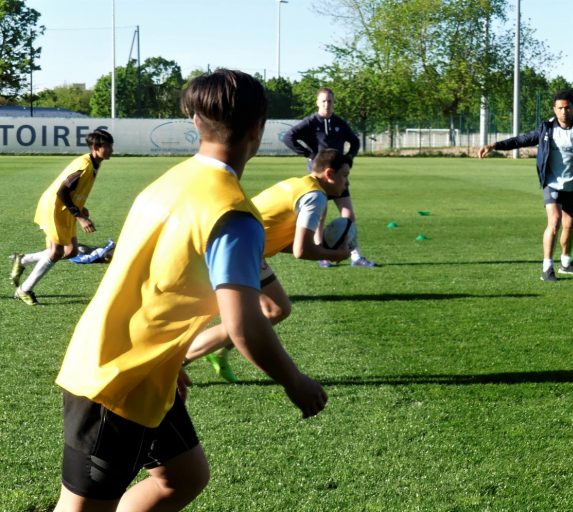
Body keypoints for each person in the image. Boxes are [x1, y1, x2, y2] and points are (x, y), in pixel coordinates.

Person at [52, 69, 327, 511]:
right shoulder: (233, 214)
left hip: (144, 368)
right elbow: (244, 325)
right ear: (259, 129)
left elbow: (150, 277)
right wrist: (295, 382)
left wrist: (169, 358)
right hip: (116, 380)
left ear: (196, 122)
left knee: (182, 477)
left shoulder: (173, 180)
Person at [184, 147, 353, 382]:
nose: (346, 183)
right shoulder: (315, 197)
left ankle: (216, 351)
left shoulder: (299, 184)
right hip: (238, 247)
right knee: (268, 312)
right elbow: (301, 250)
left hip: (239, 243)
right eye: (345, 176)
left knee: (274, 310)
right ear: (329, 173)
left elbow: (283, 239)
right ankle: (180, 359)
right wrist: (337, 255)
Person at [478, 90, 573, 282]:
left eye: (567, 107)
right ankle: (547, 268)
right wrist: (494, 145)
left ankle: (566, 263)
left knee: (570, 225)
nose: (563, 111)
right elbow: (521, 140)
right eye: (560, 108)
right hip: (551, 183)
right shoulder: (546, 128)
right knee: (554, 222)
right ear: (554, 109)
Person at [9, 129, 114, 305]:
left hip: (66, 208)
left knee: (70, 251)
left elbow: (73, 190)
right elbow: (62, 191)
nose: (111, 150)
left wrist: (81, 207)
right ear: (96, 147)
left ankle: (24, 259)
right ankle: (24, 289)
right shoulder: (85, 165)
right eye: (108, 146)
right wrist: (80, 216)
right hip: (55, 207)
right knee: (56, 251)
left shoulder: (94, 163)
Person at [283, 86, 377, 268]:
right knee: (320, 214)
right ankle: (322, 254)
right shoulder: (311, 122)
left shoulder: (339, 123)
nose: (327, 104)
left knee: (348, 212)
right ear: (318, 102)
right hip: (319, 175)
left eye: (330, 101)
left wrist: (348, 159)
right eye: (324, 101)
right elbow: (289, 137)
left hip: (337, 175)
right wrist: (309, 154)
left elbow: (355, 142)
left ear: (334, 103)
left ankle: (355, 255)